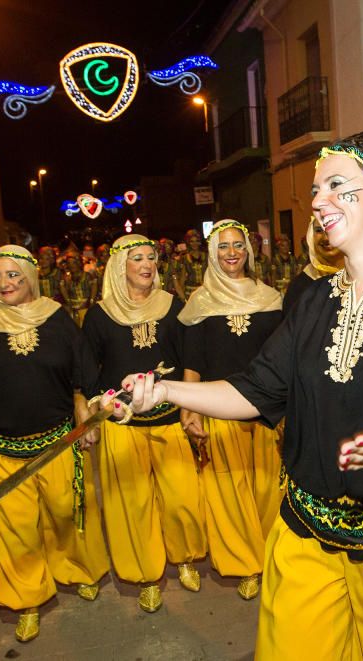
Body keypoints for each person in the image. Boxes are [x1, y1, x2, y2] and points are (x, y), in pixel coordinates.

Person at [111, 140, 363, 659]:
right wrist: (162, 390)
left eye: (337, 186)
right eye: (316, 191)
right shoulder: (315, 298)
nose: (318, 201)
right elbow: (254, 389)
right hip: (305, 529)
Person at [0, 245, 110, 643]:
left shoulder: (57, 318)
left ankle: (77, 570)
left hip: (57, 440)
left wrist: (85, 412)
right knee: (14, 528)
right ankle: (26, 599)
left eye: (13, 274)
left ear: (30, 276)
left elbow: (83, 376)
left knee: (68, 510)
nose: (5, 283)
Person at [82, 234, 206, 613]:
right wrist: (92, 409)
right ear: (121, 266)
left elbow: (191, 358)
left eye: (151, 257)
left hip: (170, 420)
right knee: (131, 507)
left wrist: (192, 405)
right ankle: (146, 576)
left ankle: (184, 557)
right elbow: (88, 373)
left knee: (183, 500)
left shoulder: (173, 306)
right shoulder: (100, 315)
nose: (147, 264)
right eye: (137, 258)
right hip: (123, 426)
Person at [178, 219, 284, 601]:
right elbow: (193, 361)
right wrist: (188, 408)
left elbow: (282, 358)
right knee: (226, 488)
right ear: (211, 253)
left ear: (250, 250)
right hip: (218, 407)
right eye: (223, 247)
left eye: (238, 245)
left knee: (267, 488)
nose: (232, 253)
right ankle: (245, 564)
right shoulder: (199, 302)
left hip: (266, 407)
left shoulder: (271, 299)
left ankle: (272, 556)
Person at [282, 216, 343, 315]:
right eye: (319, 230)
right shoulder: (300, 287)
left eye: (333, 229)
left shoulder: (362, 278)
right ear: (310, 237)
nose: (326, 238)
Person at [175, 230, 208, 302]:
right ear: (188, 243)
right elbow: (183, 278)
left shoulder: (206, 256)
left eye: (196, 241)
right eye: (192, 241)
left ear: (200, 242)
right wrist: (181, 295)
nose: (194, 243)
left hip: (205, 290)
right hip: (190, 292)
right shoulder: (185, 258)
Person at [63, 254, 96, 326]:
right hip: (73, 308)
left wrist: (91, 302)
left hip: (86, 308)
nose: (72, 265)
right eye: (69, 263)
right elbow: (65, 293)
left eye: (74, 262)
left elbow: (93, 289)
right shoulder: (67, 278)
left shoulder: (88, 276)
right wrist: (69, 303)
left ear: (79, 263)